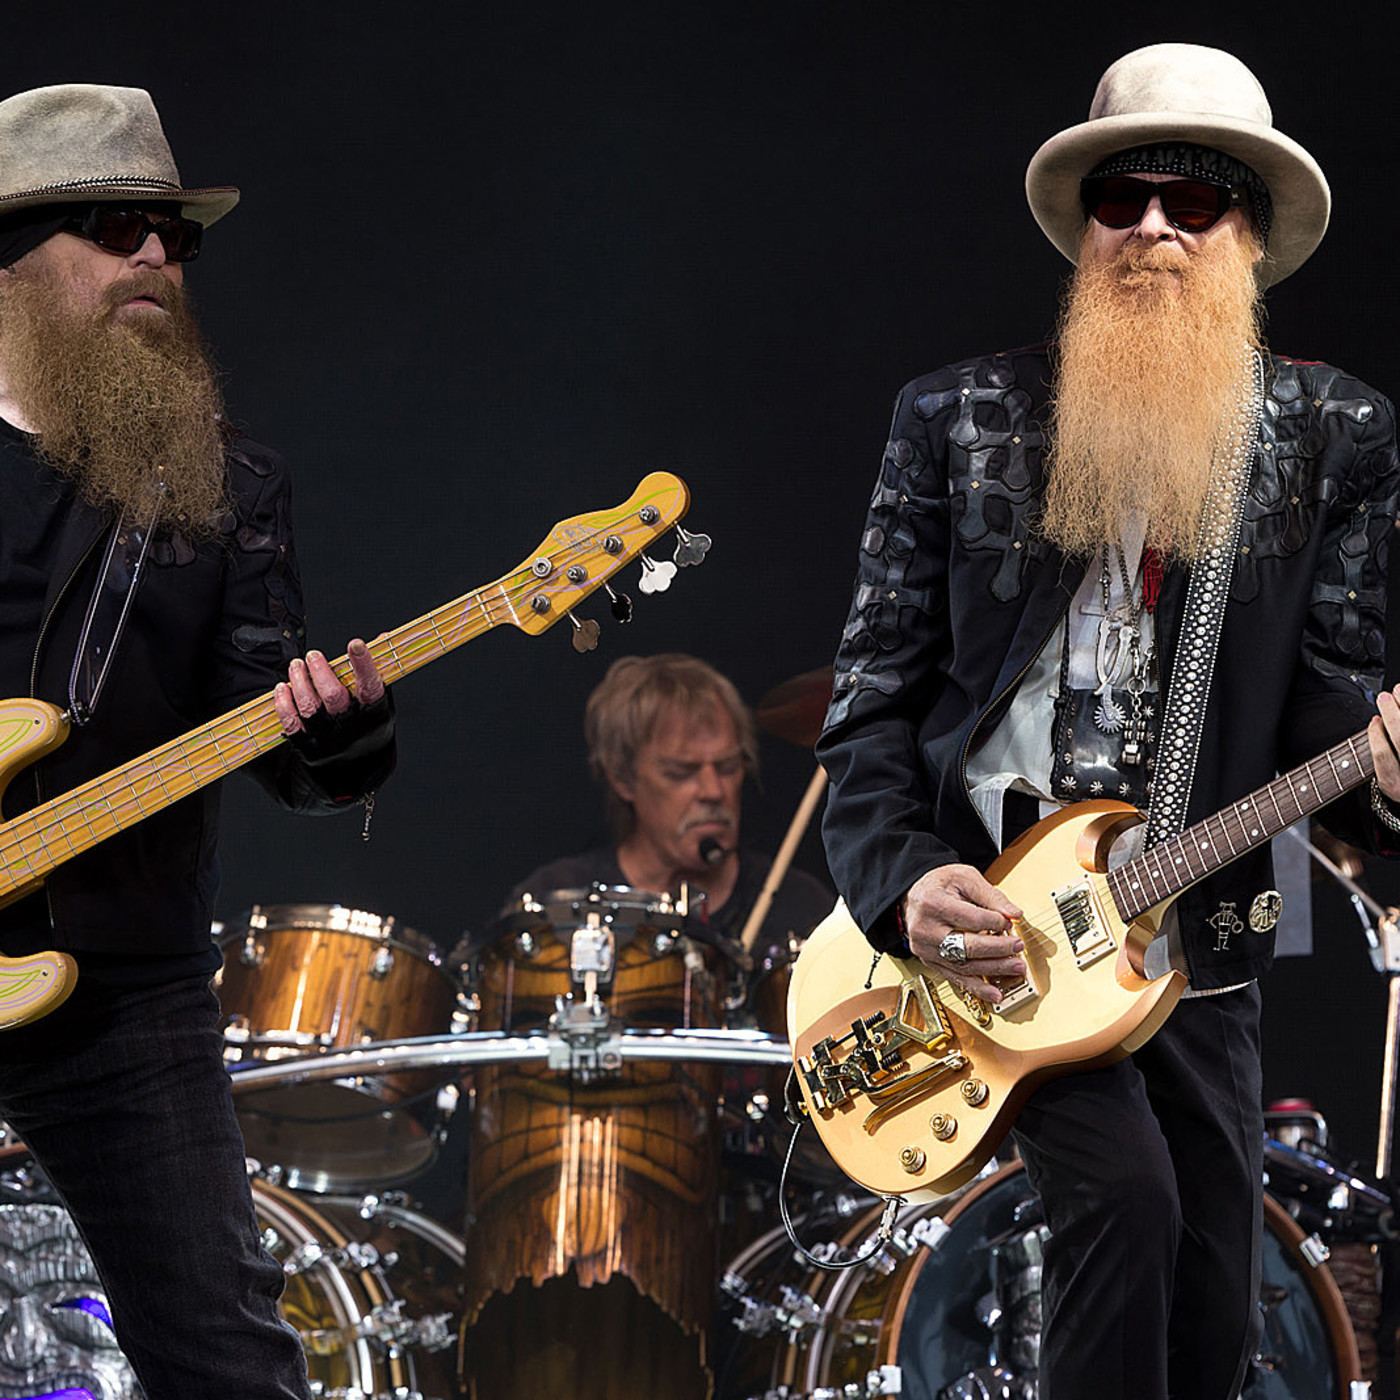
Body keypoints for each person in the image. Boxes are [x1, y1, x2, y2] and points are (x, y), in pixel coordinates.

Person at [817, 43, 1400, 1400]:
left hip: (1197, 931)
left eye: (1190, 202)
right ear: (1084, 228)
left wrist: (1383, 772)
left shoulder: (1336, 435)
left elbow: (1329, 710)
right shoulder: (956, 420)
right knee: (1124, 1200)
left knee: (1213, 1305)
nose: (1151, 228)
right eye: (1120, 198)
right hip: (996, 930)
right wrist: (903, 881)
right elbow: (868, 702)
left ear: (1245, 235)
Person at [0, 84, 394, 1398]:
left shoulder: (225, 479)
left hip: (123, 987)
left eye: (174, 237)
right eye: (118, 229)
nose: (157, 259)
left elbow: (272, 741)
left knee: (226, 1360)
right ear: (11, 262)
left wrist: (342, 732)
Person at [505, 652, 830, 964]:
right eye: (681, 772)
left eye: (728, 767)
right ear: (622, 778)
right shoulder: (550, 910)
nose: (713, 791)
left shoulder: (803, 909)